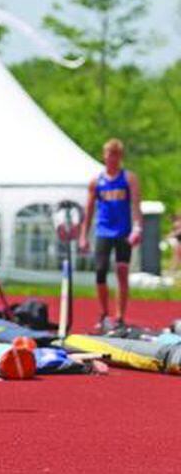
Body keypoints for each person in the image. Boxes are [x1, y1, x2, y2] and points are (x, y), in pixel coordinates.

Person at [80, 138, 142, 331]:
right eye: (109, 154)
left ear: (120, 157)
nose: (112, 158)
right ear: (104, 156)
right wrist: (83, 235)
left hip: (123, 231)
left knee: (122, 272)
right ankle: (104, 314)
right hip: (103, 231)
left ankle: (120, 316)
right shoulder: (96, 182)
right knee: (100, 272)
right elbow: (89, 210)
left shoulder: (128, 179)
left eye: (115, 155)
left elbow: (135, 204)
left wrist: (137, 228)